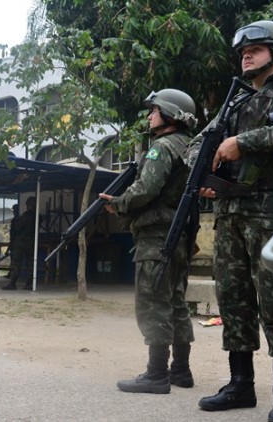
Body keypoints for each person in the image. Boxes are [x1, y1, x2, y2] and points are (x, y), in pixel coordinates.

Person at [194, 21, 273, 421]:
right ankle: (240, 385)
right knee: (234, 301)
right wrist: (206, 176)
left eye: (257, 48)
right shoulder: (233, 102)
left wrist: (241, 143)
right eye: (243, 51)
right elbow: (199, 143)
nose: (246, 55)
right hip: (231, 212)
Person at [98, 88, 198, 394]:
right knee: (177, 302)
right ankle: (180, 370)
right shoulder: (187, 146)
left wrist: (119, 202)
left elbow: (146, 189)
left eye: (154, 110)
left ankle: (156, 374)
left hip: (156, 236)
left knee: (154, 301)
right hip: (178, 235)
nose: (150, 116)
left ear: (170, 115)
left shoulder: (161, 147)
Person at [2, 197, 37, 291]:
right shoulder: (37, 216)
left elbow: (17, 228)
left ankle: (13, 283)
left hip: (21, 242)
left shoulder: (25, 216)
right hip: (32, 242)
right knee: (31, 263)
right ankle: (29, 284)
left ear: (28, 205)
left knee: (16, 262)